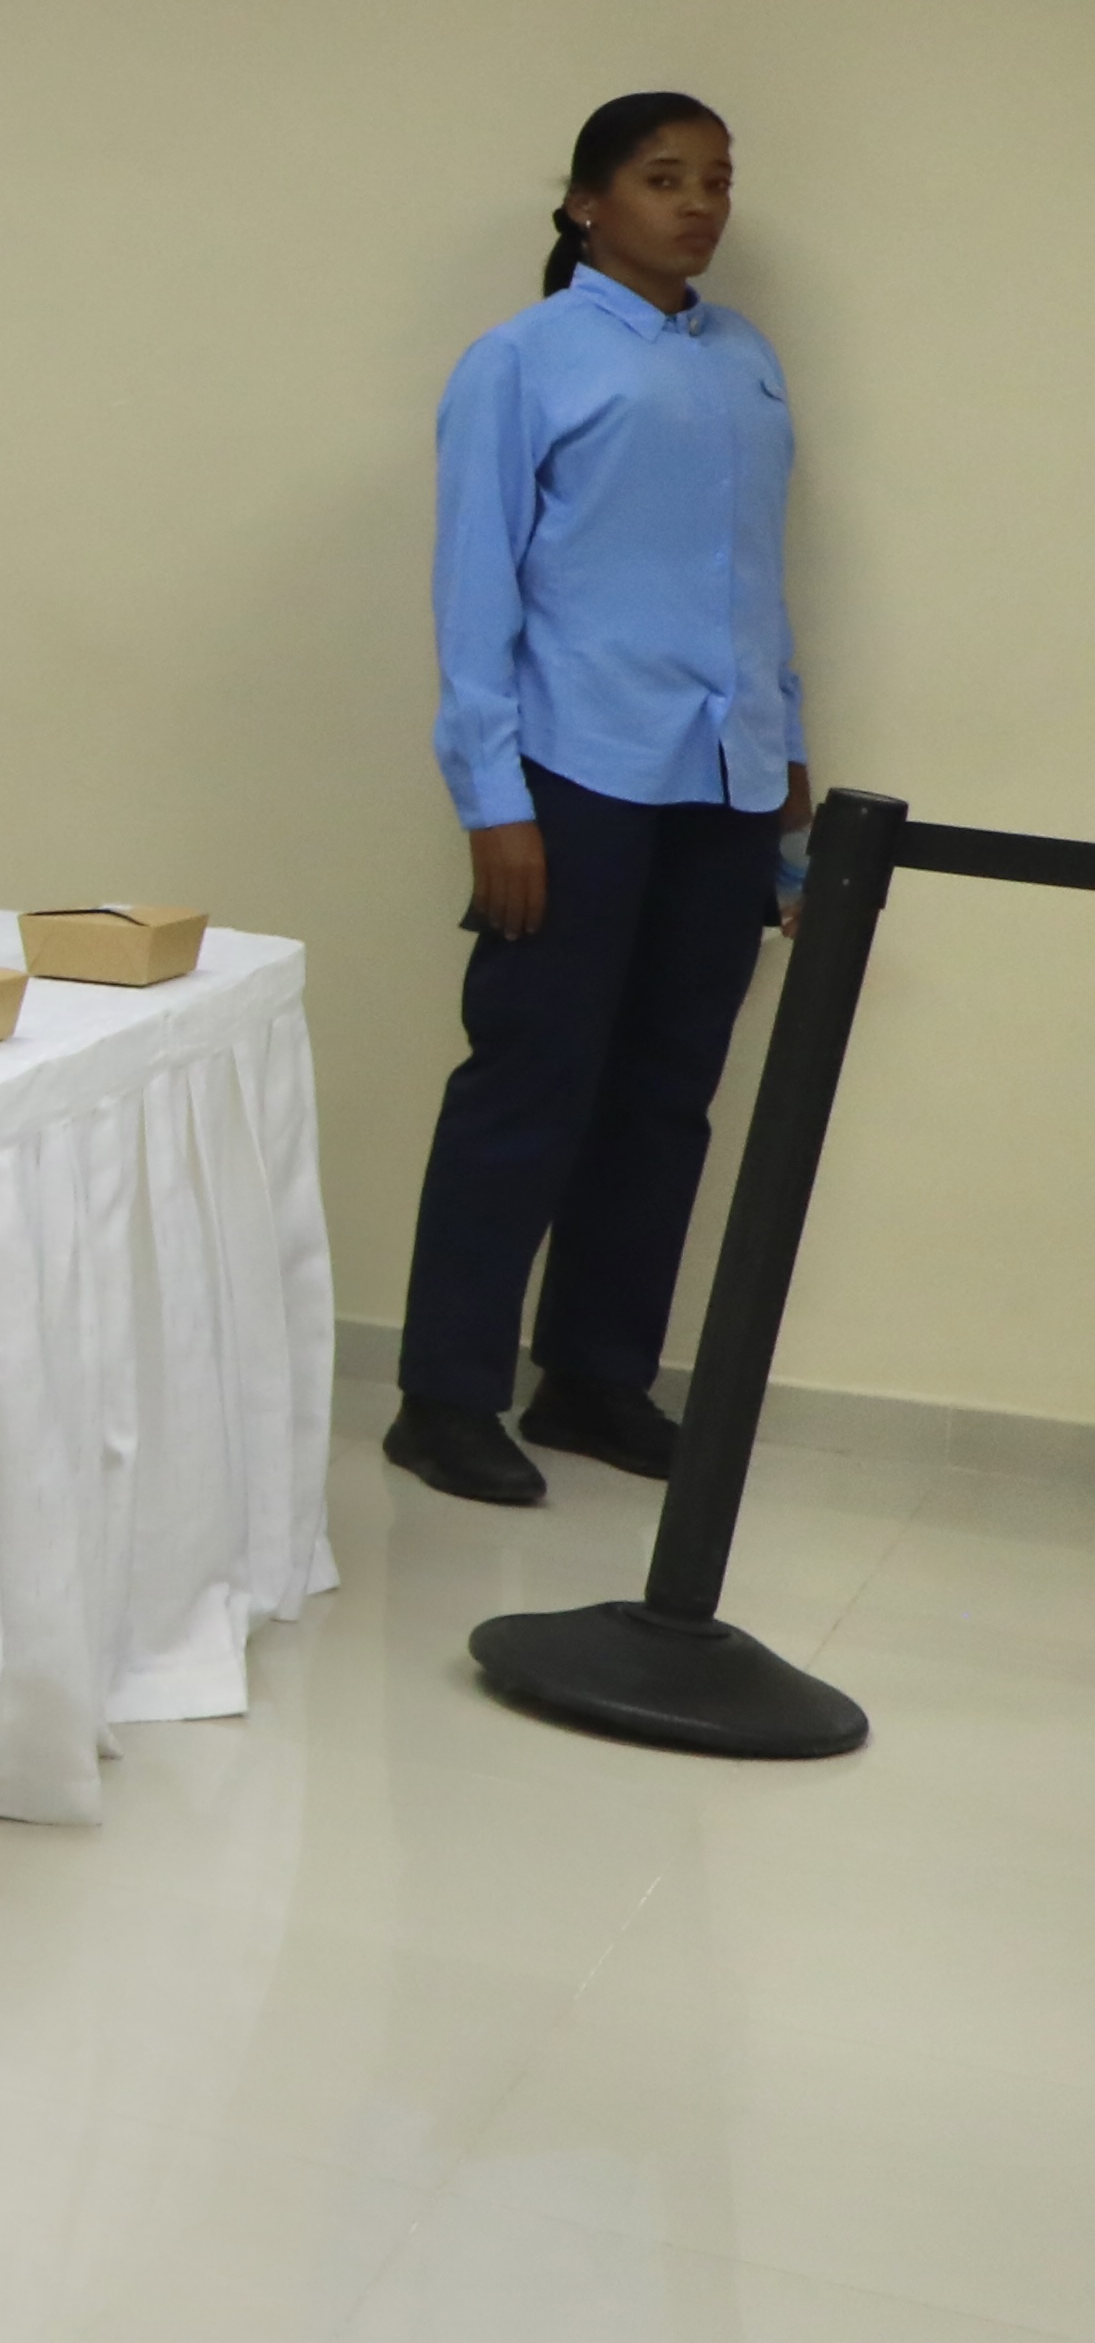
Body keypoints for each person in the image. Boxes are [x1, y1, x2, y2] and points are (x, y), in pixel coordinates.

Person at [388, 94, 804, 1508]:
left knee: (668, 1091)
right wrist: (491, 799)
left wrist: (787, 754)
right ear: (586, 202)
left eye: (716, 181)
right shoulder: (524, 360)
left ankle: (594, 1375)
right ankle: (445, 1395)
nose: (698, 205)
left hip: (727, 778)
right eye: (663, 178)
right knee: (531, 1080)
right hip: (575, 774)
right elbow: (474, 591)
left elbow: (752, 572)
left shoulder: (743, 359)